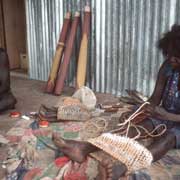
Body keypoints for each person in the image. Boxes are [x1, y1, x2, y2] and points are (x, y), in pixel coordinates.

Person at [52, 24, 180, 179]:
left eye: (177, 57)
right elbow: (154, 100)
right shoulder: (168, 67)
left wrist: (168, 116)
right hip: (165, 117)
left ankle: (124, 168)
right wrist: (138, 112)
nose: (171, 59)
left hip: (176, 122)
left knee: (168, 139)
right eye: (170, 55)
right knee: (133, 128)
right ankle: (84, 148)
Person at [0, 48, 17, 112]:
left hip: (2, 93)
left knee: (9, 100)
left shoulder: (1, 55)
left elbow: (5, 85)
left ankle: (9, 101)